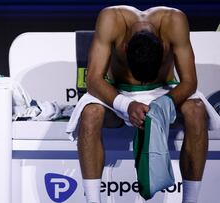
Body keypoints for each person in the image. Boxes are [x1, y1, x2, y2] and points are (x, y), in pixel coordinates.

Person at [66, 5, 216, 203]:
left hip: (162, 90)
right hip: (118, 91)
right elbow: (93, 80)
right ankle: (93, 200)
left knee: (196, 111)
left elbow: (189, 81)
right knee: (90, 113)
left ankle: (190, 200)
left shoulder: (174, 21)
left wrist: (165, 102)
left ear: (163, 48)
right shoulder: (111, 19)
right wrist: (125, 105)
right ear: (125, 48)